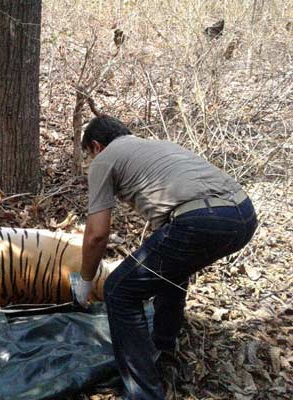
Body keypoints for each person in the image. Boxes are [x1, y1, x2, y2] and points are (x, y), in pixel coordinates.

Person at [72, 115, 257, 399]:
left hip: (201, 219)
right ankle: (163, 347)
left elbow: (97, 235)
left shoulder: (104, 159)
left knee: (119, 291)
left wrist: (85, 282)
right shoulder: (157, 146)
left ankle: (144, 392)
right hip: (243, 214)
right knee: (170, 272)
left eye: (87, 154)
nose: (88, 161)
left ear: (96, 146)